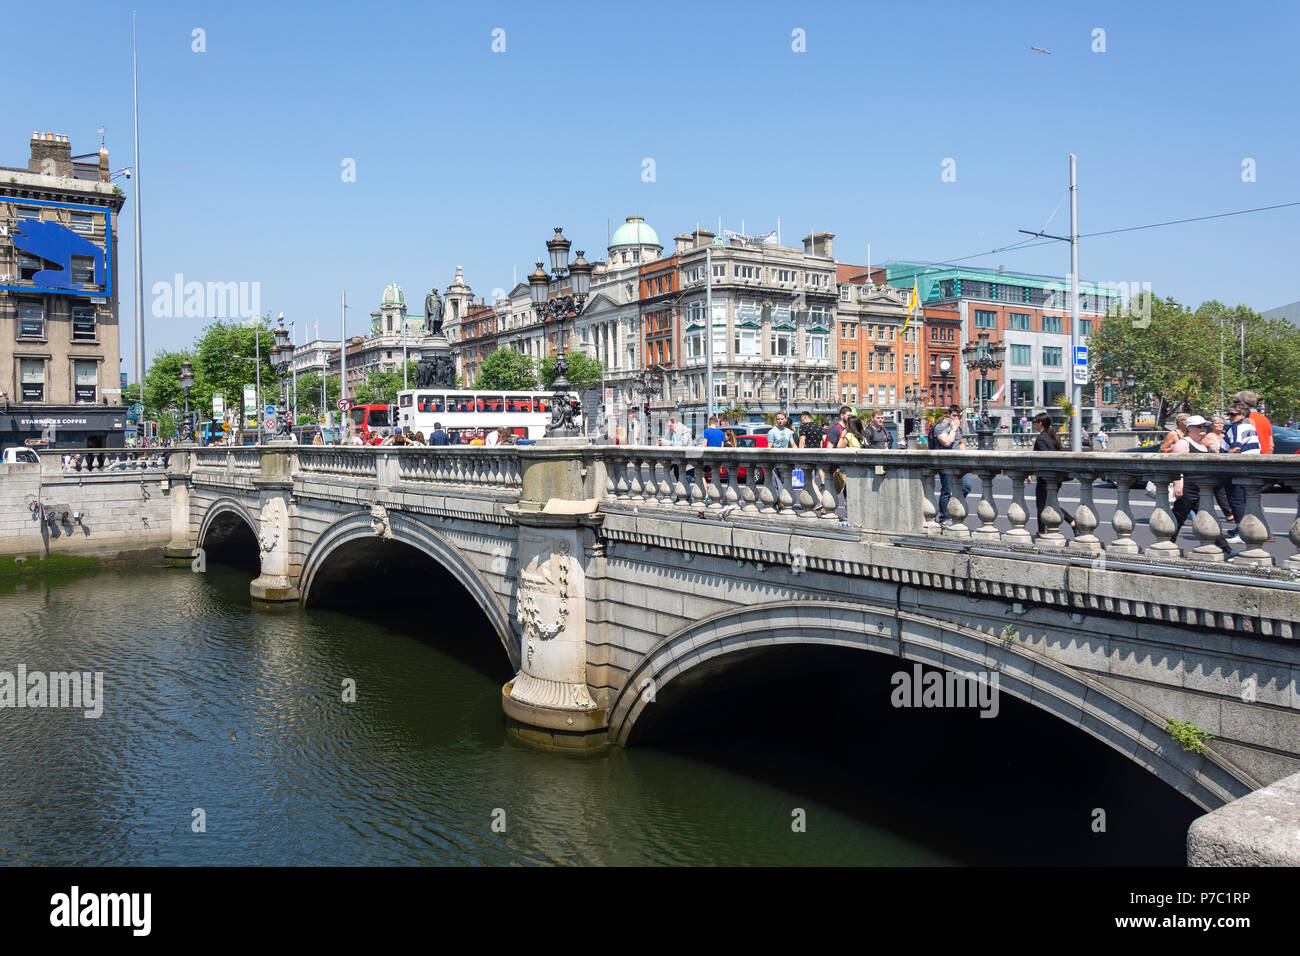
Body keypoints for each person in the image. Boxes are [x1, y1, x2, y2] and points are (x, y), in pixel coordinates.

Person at [1170, 415, 1235, 557]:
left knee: (1209, 517)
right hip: (1187, 487)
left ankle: (1226, 549)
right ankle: (1168, 544)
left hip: (1202, 488)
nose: (1203, 429)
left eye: (1204, 426)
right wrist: (1178, 485)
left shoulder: (1204, 445)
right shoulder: (1183, 444)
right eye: (1199, 426)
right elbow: (1175, 467)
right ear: (1189, 428)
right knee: (1178, 517)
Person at [1030, 411, 1074, 534]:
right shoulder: (1053, 437)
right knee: (1051, 503)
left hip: (1045, 478)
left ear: (1040, 423)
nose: (1034, 424)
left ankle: (1041, 532)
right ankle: (1073, 523)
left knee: (1041, 506)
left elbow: (1044, 459)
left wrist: (1031, 471)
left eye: (1035, 422)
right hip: (1057, 477)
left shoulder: (1041, 439)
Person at [932, 405, 972, 525]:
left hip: (959, 464)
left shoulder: (959, 429)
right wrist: (953, 428)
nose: (956, 418)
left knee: (966, 486)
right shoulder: (940, 427)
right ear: (949, 415)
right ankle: (945, 517)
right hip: (946, 464)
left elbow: (960, 442)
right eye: (954, 416)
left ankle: (954, 504)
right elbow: (947, 442)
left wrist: (967, 458)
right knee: (947, 490)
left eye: (959, 416)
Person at [1235, 390, 1273, 455]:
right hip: (1265, 458)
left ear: (1242, 403)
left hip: (1249, 458)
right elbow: (1271, 445)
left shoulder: (1243, 418)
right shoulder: (1265, 419)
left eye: (1235, 402)